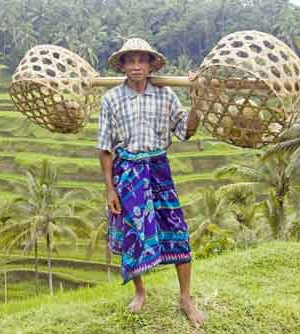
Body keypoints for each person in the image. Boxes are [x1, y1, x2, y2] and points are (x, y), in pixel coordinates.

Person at [97, 38, 205, 327]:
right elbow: (105, 148)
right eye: (129, 60)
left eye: (140, 60)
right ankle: (140, 292)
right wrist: (110, 189)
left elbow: (186, 131)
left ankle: (185, 298)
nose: (135, 66)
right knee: (133, 235)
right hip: (128, 172)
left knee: (177, 230)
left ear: (149, 64)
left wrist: (198, 100)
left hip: (158, 169)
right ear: (121, 65)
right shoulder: (111, 100)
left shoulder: (166, 95)